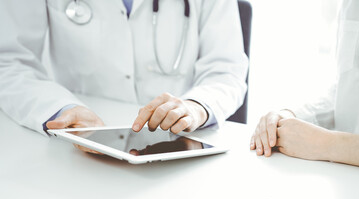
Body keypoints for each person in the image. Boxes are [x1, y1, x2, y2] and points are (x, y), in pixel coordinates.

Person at [0, 0, 248, 138]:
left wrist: (196, 106)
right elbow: (9, 61)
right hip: (79, 142)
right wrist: (60, 109)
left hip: (179, 141)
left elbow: (226, 70)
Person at [250, 0, 359, 174]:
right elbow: (347, 91)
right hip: (346, 179)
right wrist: (289, 118)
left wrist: (327, 144)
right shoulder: (351, 4)